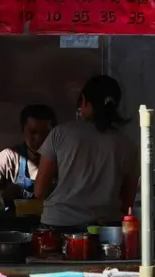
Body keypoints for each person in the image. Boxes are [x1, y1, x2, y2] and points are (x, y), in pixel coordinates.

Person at [34, 75, 137, 227]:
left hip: (59, 223)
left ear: (84, 101)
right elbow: (128, 201)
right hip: (107, 229)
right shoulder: (127, 144)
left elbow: (39, 191)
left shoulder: (60, 133)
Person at [0, 104, 57, 201]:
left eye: (45, 133)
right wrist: (4, 195)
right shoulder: (8, 159)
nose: (39, 139)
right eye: (33, 132)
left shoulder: (63, 161)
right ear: (23, 131)